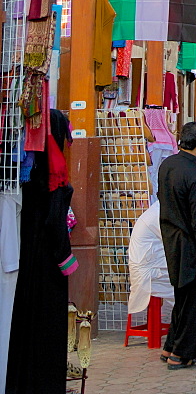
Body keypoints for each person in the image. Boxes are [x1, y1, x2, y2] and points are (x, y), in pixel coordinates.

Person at [7, 110, 78, 394]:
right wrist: (66, 260)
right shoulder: (54, 177)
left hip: (23, 260)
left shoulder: (24, 174)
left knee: (22, 326)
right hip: (47, 267)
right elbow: (54, 223)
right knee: (47, 330)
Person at [158, 121, 196, 370]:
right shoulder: (195, 174)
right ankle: (181, 354)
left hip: (171, 240)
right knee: (193, 302)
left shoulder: (168, 165)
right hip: (191, 246)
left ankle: (170, 346)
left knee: (182, 297)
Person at [128, 201, 196, 343]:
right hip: (151, 272)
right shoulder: (161, 214)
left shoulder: (167, 209)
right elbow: (186, 241)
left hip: (158, 264)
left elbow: (190, 237)